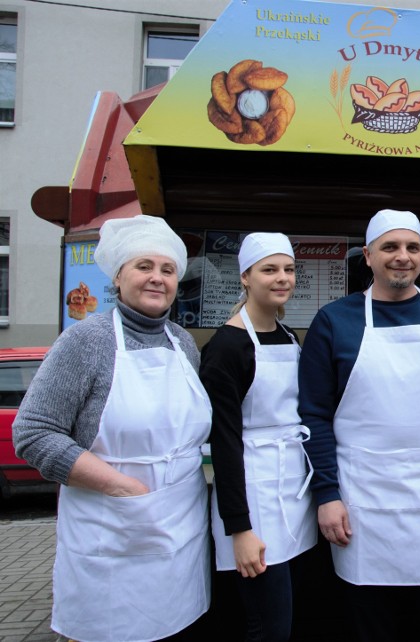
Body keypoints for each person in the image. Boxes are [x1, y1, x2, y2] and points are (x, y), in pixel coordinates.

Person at [13, 214, 211, 642]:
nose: (157, 278)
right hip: (112, 532)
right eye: (144, 267)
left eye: (168, 269)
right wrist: (125, 490)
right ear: (118, 277)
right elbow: (34, 433)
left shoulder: (184, 344)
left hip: (181, 530)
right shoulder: (86, 341)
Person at [297, 209, 420, 642]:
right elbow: (313, 415)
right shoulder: (334, 320)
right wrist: (326, 494)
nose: (401, 257)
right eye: (390, 247)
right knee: (370, 624)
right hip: (363, 504)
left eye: (411, 247)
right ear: (368, 256)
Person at [200, 233, 316, 641]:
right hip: (253, 499)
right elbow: (224, 442)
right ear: (246, 277)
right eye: (270, 270)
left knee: (291, 618)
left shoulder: (288, 338)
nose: (282, 278)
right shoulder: (227, 346)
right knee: (268, 626)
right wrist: (240, 529)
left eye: (288, 270)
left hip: (292, 494)